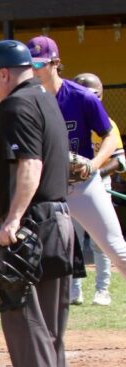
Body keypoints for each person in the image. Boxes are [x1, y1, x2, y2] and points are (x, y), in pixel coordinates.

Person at [0, 39, 75, 367]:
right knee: (50, 322)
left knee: (26, 320)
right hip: (58, 220)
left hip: (33, 222)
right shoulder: (45, 99)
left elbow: (29, 164)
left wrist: (13, 220)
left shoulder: (16, 106)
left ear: (4, 73)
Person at [28, 36, 126, 309]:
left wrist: (94, 165)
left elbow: (108, 137)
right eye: (29, 63)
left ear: (55, 63)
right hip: (48, 187)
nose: (33, 69)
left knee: (116, 250)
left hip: (83, 184)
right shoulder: (29, 101)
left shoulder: (82, 98)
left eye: (38, 62)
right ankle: (41, 314)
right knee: (36, 251)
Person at [69, 72, 126, 306]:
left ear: (99, 97)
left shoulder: (106, 123)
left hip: (98, 183)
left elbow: (120, 161)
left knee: (100, 242)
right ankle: (74, 289)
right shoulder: (67, 117)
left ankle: (102, 290)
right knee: (70, 239)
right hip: (69, 184)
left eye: (91, 93)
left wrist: (94, 172)